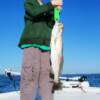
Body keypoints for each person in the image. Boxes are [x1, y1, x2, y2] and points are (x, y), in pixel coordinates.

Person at [18, 0, 62, 100]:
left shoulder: (47, 6)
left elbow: (51, 24)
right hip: (31, 43)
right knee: (30, 75)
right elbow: (33, 12)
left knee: (47, 77)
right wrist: (51, 4)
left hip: (46, 46)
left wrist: (56, 12)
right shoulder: (29, 2)